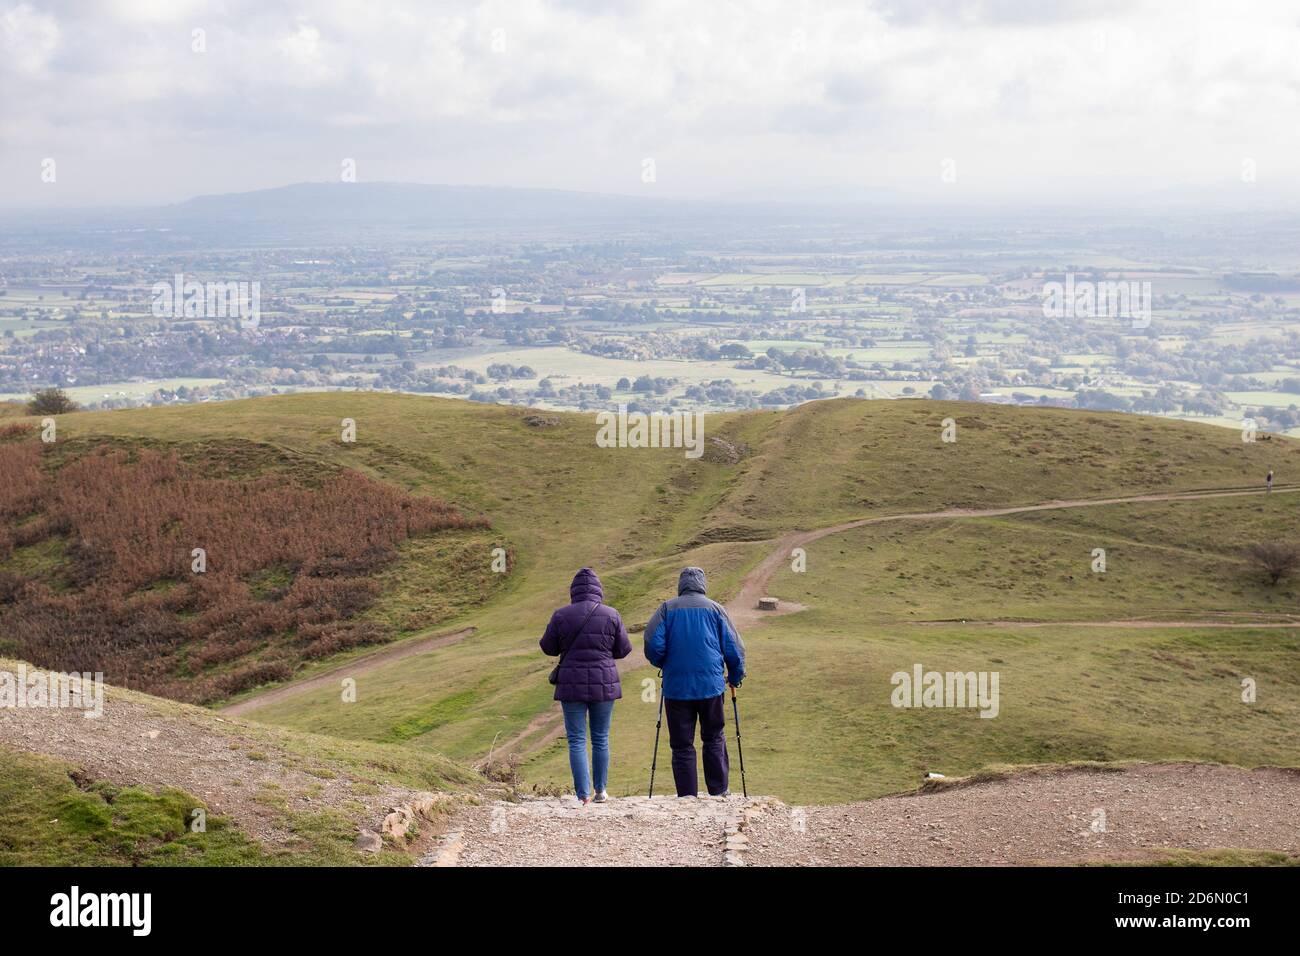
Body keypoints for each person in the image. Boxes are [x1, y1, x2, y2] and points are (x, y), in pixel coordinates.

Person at [643, 567, 746, 798]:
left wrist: (665, 663)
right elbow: (735, 648)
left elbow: (651, 643)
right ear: (702, 585)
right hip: (711, 687)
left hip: (677, 688)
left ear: (681, 585)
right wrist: (736, 677)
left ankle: (687, 797)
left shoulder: (667, 609)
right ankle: (719, 791)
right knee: (714, 737)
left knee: (681, 745)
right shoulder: (716, 609)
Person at [540, 567, 632, 804]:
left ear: (573, 591)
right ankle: (601, 790)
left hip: (571, 684)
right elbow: (623, 650)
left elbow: (548, 647)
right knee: (601, 737)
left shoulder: (561, 615)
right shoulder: (612, 614)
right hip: (604, 683)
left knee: (577, 739)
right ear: (598, 590)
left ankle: (583, 795)